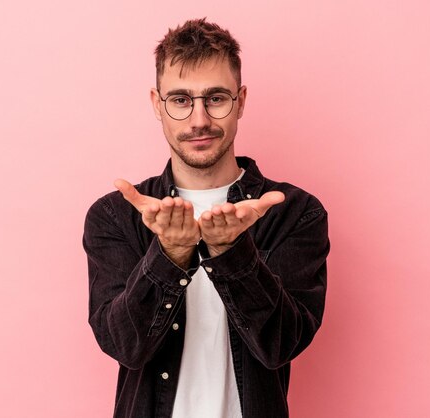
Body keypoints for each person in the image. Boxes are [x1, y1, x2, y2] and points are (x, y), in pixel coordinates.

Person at [83, 18, 330, 418]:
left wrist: (231, 252)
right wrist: (169, 255)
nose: (199, 120)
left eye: (216, 98)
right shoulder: (115, 217)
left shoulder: (295, 213)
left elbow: (282, 346)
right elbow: (123, 345)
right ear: (156, 104)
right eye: (181, 100)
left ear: (242, 100)